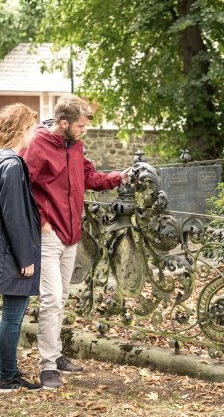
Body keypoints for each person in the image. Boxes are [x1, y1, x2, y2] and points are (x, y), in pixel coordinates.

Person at [22, 96, 129, 389]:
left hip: (72, 235)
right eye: (81, 125)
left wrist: (120, 176)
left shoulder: (76, 145)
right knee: (52, 300)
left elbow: (89, 178)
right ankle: (46, 368)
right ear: (64, 123)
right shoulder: (38, 145)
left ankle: (56, 356)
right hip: (48, 235)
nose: (84, 130)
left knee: (63, 298)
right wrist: (41, 222)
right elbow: (21, 187)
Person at [0, 104, 41, 392]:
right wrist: (25, 257)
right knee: (13, 316)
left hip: (5, 251)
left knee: (10, 315)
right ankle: (6, 375)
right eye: (32, 128)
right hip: (12, 254)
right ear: (21, 129)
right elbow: (13, 215)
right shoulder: (12, 164)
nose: (34, 134)